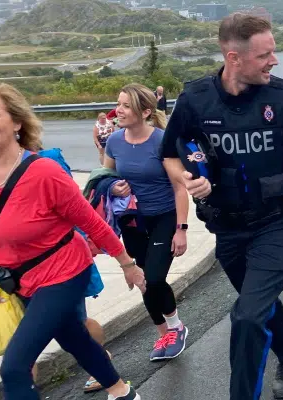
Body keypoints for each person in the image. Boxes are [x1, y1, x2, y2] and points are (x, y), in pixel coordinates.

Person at [159, 13, 283, 400]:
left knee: (247, 315)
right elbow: (169, 154)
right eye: (264, 55)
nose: (274, 60)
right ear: (233, 57)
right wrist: (185, 178)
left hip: (276, 223)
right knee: (261, 308)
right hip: (228, 228)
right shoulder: (195, 99)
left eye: (274, 52)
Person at [0, 83, 145, 400]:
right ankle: (122, 393)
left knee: (13, 367)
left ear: (15, 122)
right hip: (19, 280)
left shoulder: (44, 172)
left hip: (65, 272)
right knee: (73, 338)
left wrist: (128, 264)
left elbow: (91, 222)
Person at [103, 83, 190, 362]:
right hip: (133, 220)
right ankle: (163, 332)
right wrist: (114, 187)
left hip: (164, 216)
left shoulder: (162, 141)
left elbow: (179, 187)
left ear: (146, 111)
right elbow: (104, 178)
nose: (120, 110)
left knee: (154, 277)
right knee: (143, 281)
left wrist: (181, 229)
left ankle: (177, 327)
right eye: (119, 103)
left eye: (127, 105)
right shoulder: (115, 141)